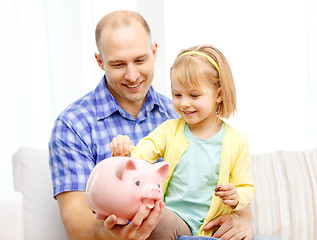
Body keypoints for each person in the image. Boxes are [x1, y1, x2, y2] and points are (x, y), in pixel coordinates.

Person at [49, 9, 266, 240]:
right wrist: (113, 234)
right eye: (118, 64)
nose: (132, 75)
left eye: (140, 60)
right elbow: (75, 222)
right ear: (100, 61)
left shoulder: (182, 115)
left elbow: (225, 181)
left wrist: (244, 217)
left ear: (154, 52)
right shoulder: (73, 125)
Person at [110, 44, 256, 239]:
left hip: (214, 229)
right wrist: (124, 152)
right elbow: (138, 157)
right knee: (159, 219)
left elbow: (247, 188)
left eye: (194, 95)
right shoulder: (169, 130)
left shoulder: (237, 142)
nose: (184, 103)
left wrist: (237, 196)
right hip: (177, 221)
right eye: (177, 95)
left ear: (219, 95)